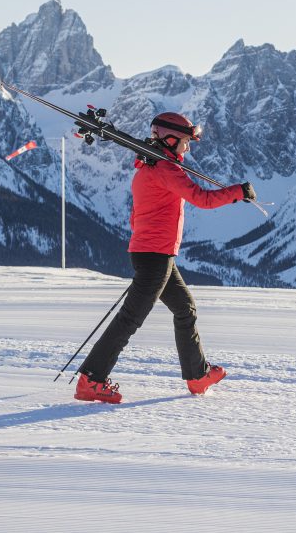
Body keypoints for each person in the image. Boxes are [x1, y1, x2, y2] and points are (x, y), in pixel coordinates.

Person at [74, 112, 256, 403]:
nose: (188, 148)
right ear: (170, 139)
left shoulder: (148, 169)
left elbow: (136, 217)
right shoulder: (165, 170)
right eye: (186, 141)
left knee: (185, 308)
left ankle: (197, 376)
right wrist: (238, 192)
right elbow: (203, 199)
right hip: (155, 256)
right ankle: (91, 381)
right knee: (130, 319)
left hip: (153, 254)